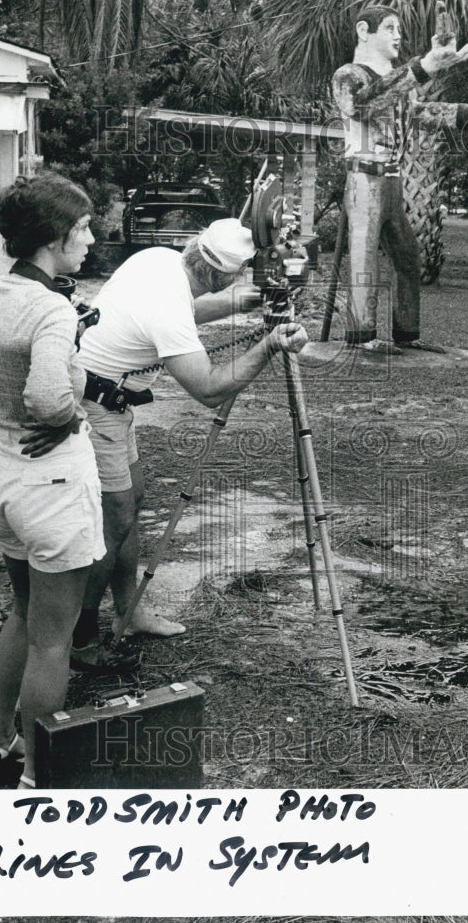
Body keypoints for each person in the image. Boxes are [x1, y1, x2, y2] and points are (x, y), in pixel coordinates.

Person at [56, 218, 309, 661]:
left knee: (130, 502)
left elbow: (190, 310)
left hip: (106, 397)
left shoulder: (159, 261)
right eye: (239, 278)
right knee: (114, 518)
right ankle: (79, 635)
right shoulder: (168, 306)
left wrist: (251, 299)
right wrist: (268, 345)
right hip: (94, 406)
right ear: (221, 275)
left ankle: (128, 609)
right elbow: (210, 390)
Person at [0, 172, 126, 790]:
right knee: (53, 642)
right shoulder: (53, 307)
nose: (91, 238)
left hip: (1, 473)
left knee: (24, 612)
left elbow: (9, 372)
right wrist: (69, 415)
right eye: (83, 228)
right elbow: (47, 395)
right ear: (55, 237)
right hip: (50, 483)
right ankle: (38, 774)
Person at [332, 5, 468, 354]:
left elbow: (419, 112)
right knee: (363, 259)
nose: (398, 35)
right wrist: (424, 66)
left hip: (391, 181)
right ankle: (361, 338)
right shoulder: (348, 76)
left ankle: (406, 334)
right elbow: (365, 105)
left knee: (408, 256)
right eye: (390, 28)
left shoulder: (399, 81)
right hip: (364, 179)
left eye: (399, 28)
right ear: (364, 31)